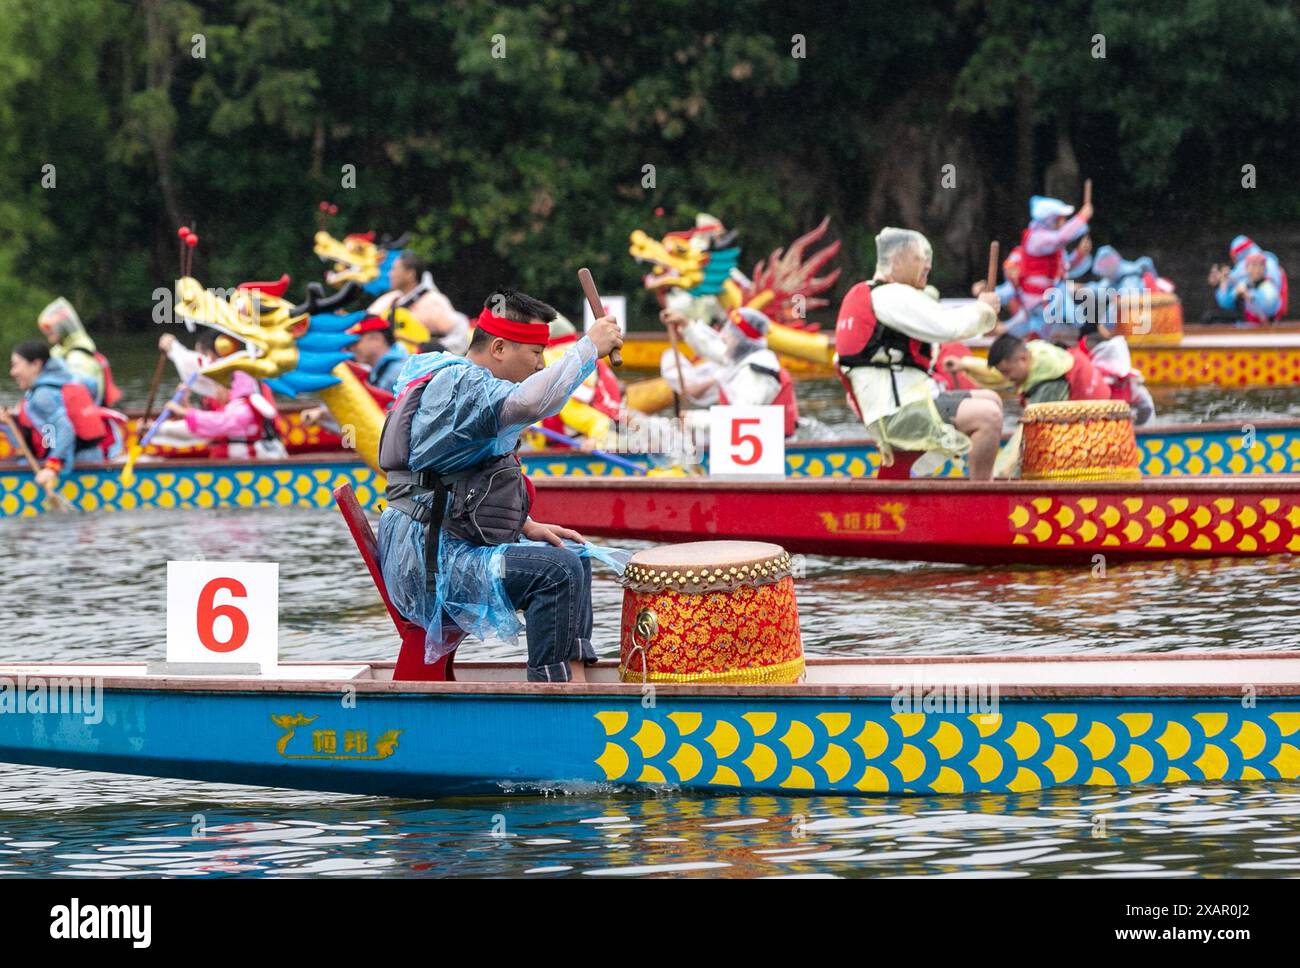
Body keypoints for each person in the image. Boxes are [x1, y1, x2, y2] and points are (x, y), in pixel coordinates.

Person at [377, 290, 625, 683]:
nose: (541, 365)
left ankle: (577, 678)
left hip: (442, 544)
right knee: (555, 572)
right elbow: (530, 403)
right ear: (498, 347)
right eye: (535, 355)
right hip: (426, 565)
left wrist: (526, 526)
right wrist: (588, 348)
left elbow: (460, 476)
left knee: (572, 555)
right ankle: (553, 694)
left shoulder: (469, 385)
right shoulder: (460, 385)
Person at [835, 227, 1002, 479]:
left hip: (897, 406)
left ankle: (902, 480)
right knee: (988, 416)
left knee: (992, 399)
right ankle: (983, 500)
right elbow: (946, 326)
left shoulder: (871, 294)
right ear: (896, 261)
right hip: (896, 414)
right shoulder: (890, 295)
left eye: (928, 258)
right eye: (920, 258)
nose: (928, 265)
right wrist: (984, 310)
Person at [657, 305, 799, 438]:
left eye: (729, 333)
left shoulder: (756, 372)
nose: (723, 337)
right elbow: (710, 347)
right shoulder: (744, 357)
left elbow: (741, 418)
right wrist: (685, 324)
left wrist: (694, 420)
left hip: (772, 447)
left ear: (739, 340)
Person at [8, 341, 119, 488]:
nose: (12, 372)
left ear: (35, 364)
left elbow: (65, 428)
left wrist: (52, 467)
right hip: (93, 457)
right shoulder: (68, 379)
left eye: (16, 365)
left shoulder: (42, 394)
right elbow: (92, 387)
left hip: (74, 464)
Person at [1010, 196, 1094, 338]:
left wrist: (1080, 254)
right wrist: (1082, 217)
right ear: (1051, 219)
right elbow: (1061, 237)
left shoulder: (1053, 247)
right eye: (1061, 218)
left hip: (1049, 299)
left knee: (1064, 326)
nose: (1064, 222)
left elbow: (1066, 267)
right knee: (1044, 334)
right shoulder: (1037, 238)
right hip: (1037, 300)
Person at [538, 314, 623, 447]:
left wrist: (596, 440)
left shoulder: (566, 392)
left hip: (605, 431)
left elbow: (601, 423)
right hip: (601, 424)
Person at [367, 253, 470, 355]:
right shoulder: (391, 299)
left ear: (410, 273)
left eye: (394, 269)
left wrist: (435, 348)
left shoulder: (433, 301)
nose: (390, 274)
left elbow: (460, 331)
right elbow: (367, 319)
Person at [36, 298, 122, 407]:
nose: (49, 340)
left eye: (51, 334)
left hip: (88, 410)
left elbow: (78, 393)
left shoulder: (78, 356)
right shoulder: (62, 349)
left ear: (61, 329)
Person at [347, 316, 409, 395]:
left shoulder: (398, 372)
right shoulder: (386, 371)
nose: (351, 349)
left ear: (376, 338)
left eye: (355, 343)